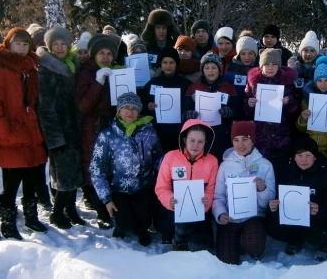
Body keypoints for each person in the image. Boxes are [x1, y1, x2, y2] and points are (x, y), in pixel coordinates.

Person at [0, 28, 48, 240]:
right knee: (11, 185)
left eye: (25, 44)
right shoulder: (2, 70)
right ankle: (8, 223)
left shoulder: (31, 69)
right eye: (17, 44)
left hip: (32, 137)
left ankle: (31, 217)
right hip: (12, 138)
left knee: (32, 181)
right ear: (8, 45)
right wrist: (5, 132)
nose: (21, 48)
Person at [90, 92, 163, 246]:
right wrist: (106, 199)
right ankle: (121, 226)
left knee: (143, 215)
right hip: (118, 188)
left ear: (139, 111)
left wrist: (173, 166)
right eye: (126, 108)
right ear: (119, 111)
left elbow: (158, 159)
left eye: (134, 108)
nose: (130, 112)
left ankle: (142, 230)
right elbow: (97, 170)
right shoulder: (107, 135)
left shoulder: (148, 132)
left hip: (143, 185)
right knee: (124, 222)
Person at [37, 26, 85, 230]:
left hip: (75, 126)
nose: (59, 48)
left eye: (63, 44)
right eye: (55, 44)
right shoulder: (46, 68)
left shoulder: (73, 65)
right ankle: (57, 213)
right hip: (58, 129)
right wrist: (54, 137)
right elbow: (45, 105)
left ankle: (71, 209)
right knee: (63, 175)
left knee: (75, 172)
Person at [267, 136, 327, 262]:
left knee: (318, 236)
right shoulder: (286, 173)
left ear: (315, 156)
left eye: (308, 155)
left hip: (317, 221)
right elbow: (278, 200)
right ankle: (296, 239)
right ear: (294, 157)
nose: (303, 160)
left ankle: (323, 245)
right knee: (272, 227)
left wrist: (320, 210)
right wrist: (273, 208)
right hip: (294, 219)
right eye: (299, 156)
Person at [213, 121, 275, 264]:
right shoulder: (225, 165)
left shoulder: (265, 165)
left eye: (245, 139)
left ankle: (250, 242)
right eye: (236, 140)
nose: (240, 145)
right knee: (226, 260)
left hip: (254, 216)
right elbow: (218, 196)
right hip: (231, 217)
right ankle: (234, 241)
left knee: (255, 245)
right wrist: (220, 214)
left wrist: (262, 189)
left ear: (253, 140)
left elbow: (268, 202)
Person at [75, 33, 120, 229]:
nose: (106, 57)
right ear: (94, 55)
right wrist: (98, 82)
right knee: (95, 168)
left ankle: (113, 209)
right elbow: (83, 105)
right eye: (101, 53)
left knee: (112, 167)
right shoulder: (86, 73)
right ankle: (101, 212)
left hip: (112, 126)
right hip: (92, 128)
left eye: (109, 53)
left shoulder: (116, 71)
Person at [155, 120, 219, 251]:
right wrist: (169, 200)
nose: (195, 145)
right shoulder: (170, 157)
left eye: (200, 141)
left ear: (206, 142)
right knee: (182, 237)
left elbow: (211, 188)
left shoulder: (212, 161)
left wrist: (206, 201)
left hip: (199, 211)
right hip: (174, 209)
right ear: (184, 139)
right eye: (192, 140)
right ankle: (177, 241)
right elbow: (161, 187)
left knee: (199, 247)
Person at [244, 48, 299, 176]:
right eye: (267, 64)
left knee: (279, 173)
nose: (270, 67)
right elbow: (245, 113)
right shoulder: (253, 84)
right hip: (259, 137)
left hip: (280, 137)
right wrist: (249, 105)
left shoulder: (287, 84)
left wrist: (289, 102)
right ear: (261, 66)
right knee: (258, 175)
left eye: (274, 64)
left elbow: (295, 113)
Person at [183, 52, 238, 162]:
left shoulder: (229, 88)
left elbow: (237, 110)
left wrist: (229, 112)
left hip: (221, 135)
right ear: (202, 70)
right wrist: (189, 114)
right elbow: (183, 112)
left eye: (214, 67)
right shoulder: (193, 88)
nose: (210, 71)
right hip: (199, 136)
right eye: (207, 68)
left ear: (219, 69)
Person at [141, 48, 193, 153]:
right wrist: (148, 106)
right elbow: (142, 103)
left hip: (179, 131)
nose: (168, 66)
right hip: (158, 131)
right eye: (165, 62)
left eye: (171, 62)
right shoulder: (152, 84)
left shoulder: (186, 84)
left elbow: (190, 105)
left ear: (176, 64)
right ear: (160, 64)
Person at [223, 34, 259, 119]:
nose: (247, 57)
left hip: (255, 115)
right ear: (239, 54)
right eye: (243, 54)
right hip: (235, 116)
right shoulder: (231, 71)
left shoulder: (260, 71)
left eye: (250, 53)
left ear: (255, 54)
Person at [288, 30, 322, 98]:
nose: (308, 54)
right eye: (305, 50)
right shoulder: (293, 69)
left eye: (312, 51)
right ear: (301, 52)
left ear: (316, 53)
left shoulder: (322, 69)